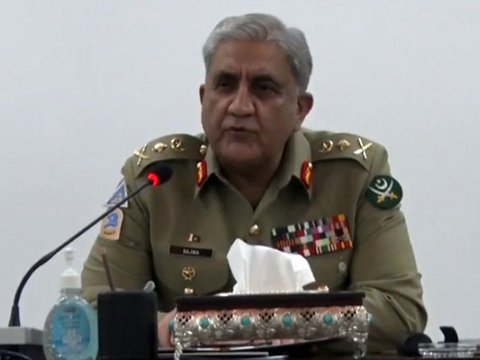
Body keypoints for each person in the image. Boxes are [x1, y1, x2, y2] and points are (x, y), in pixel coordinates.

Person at [81, 13, 427, 352]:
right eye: (225, 85)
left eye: (264, 89)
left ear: (300, 109)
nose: (240, 106)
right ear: (204, 99)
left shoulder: (354, 174)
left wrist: (211, 327)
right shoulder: (155, 181)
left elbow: (400, 310)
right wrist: (160, 328)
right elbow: (94, 309)